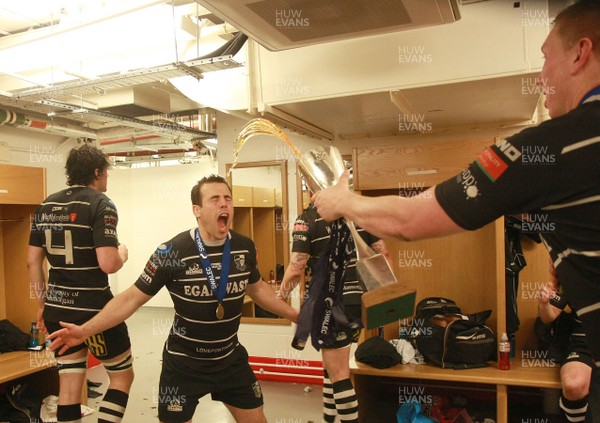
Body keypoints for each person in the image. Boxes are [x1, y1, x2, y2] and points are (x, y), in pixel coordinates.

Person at [313, 1, 600, 421]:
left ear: (580, 53)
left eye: (544, 57)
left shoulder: (548, 145)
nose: (540, 77)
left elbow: (410, 221)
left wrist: (343, 202)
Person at [48, 174, 298, 423]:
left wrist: (296, 314)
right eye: (215, 199)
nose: (224, 204)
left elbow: (258, 289)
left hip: (230, 360)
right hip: (183, 365)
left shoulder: (244, 247)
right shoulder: (171, 252)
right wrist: (84, 331)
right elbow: (132, 298)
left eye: (227, 198)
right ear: (196, 210)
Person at [28, 143, 132, 423]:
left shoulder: (45, 206)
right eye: (106, 172)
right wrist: (122, 254)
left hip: (57, 310)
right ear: (96, 172)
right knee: (122, 376)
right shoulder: (101, 204)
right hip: (95, 312)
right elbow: (108, 263)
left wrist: (42, 304)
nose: (107, 178)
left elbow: (33, 261)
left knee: (70, 384)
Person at [277, 203, 388, 423]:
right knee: (331, 365)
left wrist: (279, 297)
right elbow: (382, 252)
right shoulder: (359, 212)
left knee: (339, 373)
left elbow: (296, 267)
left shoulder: (306, 219)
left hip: (330, 304)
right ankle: (328, 420)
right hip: (357, 301)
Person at [539, 281, 592, 423]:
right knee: (573, 386)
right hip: (584, 344)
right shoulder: (574, 273)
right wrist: (544, 304)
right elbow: (548, 316)